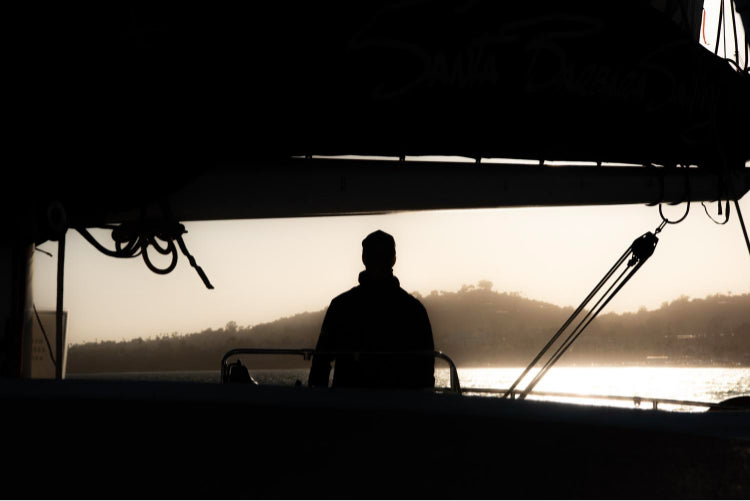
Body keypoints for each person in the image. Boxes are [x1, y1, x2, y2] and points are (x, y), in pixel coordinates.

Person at [308, 230, 435, 389]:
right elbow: (426, 371)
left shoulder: (341, 306)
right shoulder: (414, 310)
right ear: (394, 260)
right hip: (399, 407)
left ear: (363, 259)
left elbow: (320, 364)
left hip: (347, 405)